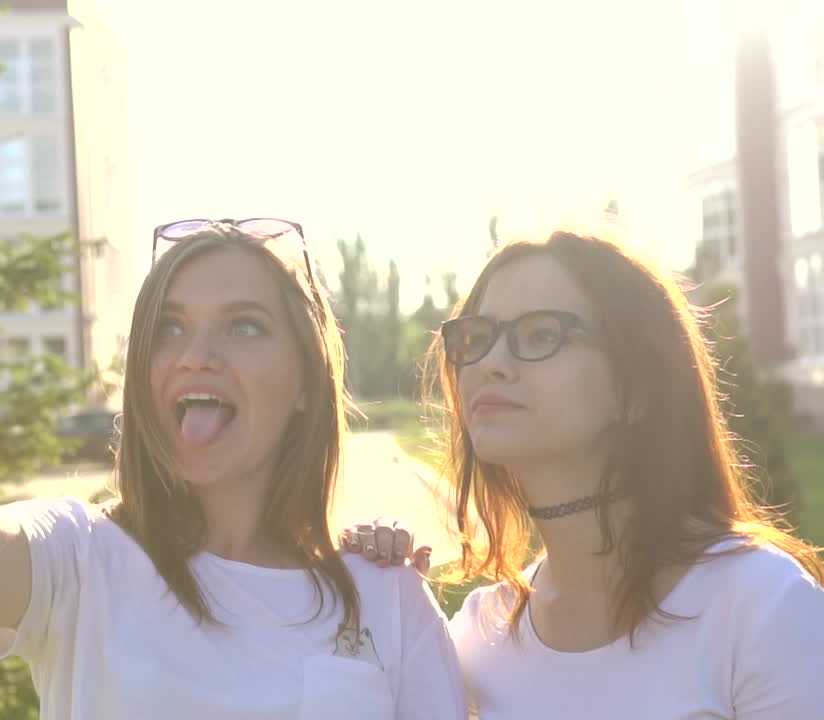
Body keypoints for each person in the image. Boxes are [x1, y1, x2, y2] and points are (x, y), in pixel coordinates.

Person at [0, 124, 468, 719]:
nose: (196, 355)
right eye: (170, 326)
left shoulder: (387, 597)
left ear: (306, 384)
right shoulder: (81, 561)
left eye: (244, 326)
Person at [341, 230, 824, 719]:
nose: (490, 363)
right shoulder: (477, 638)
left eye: (540, 335)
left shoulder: (761, 605)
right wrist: (382, 603)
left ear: (636, 387)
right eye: (476, 338)